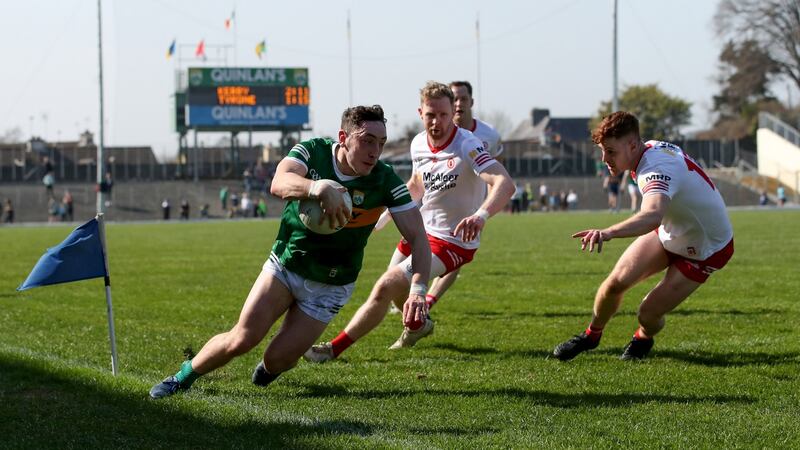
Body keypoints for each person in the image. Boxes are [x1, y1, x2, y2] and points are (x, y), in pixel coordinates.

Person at [149, 105, 430, 399]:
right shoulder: (312, 152)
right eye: (367, 140)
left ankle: (271, 367)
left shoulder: (384, 180)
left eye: (381, 143)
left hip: (332, 285)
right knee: (242, 338)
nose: (375, 151)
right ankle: (182, 377)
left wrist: (419, 290)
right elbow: (279, 181)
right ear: (344, 137)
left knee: (277, 360)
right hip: (286, 265)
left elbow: (418, 238)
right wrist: (315, 187)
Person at [304, 81, 514, 362]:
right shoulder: (418, 143)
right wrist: (390, 212)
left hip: (453, 240)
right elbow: (417, 183)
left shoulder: (467, 144)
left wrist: (481, 215)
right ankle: (419, 325)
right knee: (396, 294)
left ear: (453, 112)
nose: (436, 121)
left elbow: (504, 182)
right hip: (421, 230)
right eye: (430, 115)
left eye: (442, 114)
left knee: (386, 285)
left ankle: (332, 350)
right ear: (420, 113)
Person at [552, 111, 734, 362]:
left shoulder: (655, 168)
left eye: (611, 152)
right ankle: (591, 336)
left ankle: (643, 337)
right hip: (672, 231)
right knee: (614, 284)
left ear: (633, 145)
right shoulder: (646, 152)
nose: (605, 159)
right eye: (603, 151)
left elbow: (652, 215)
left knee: (647, 314)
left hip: (707, 248)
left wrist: (608, 232)